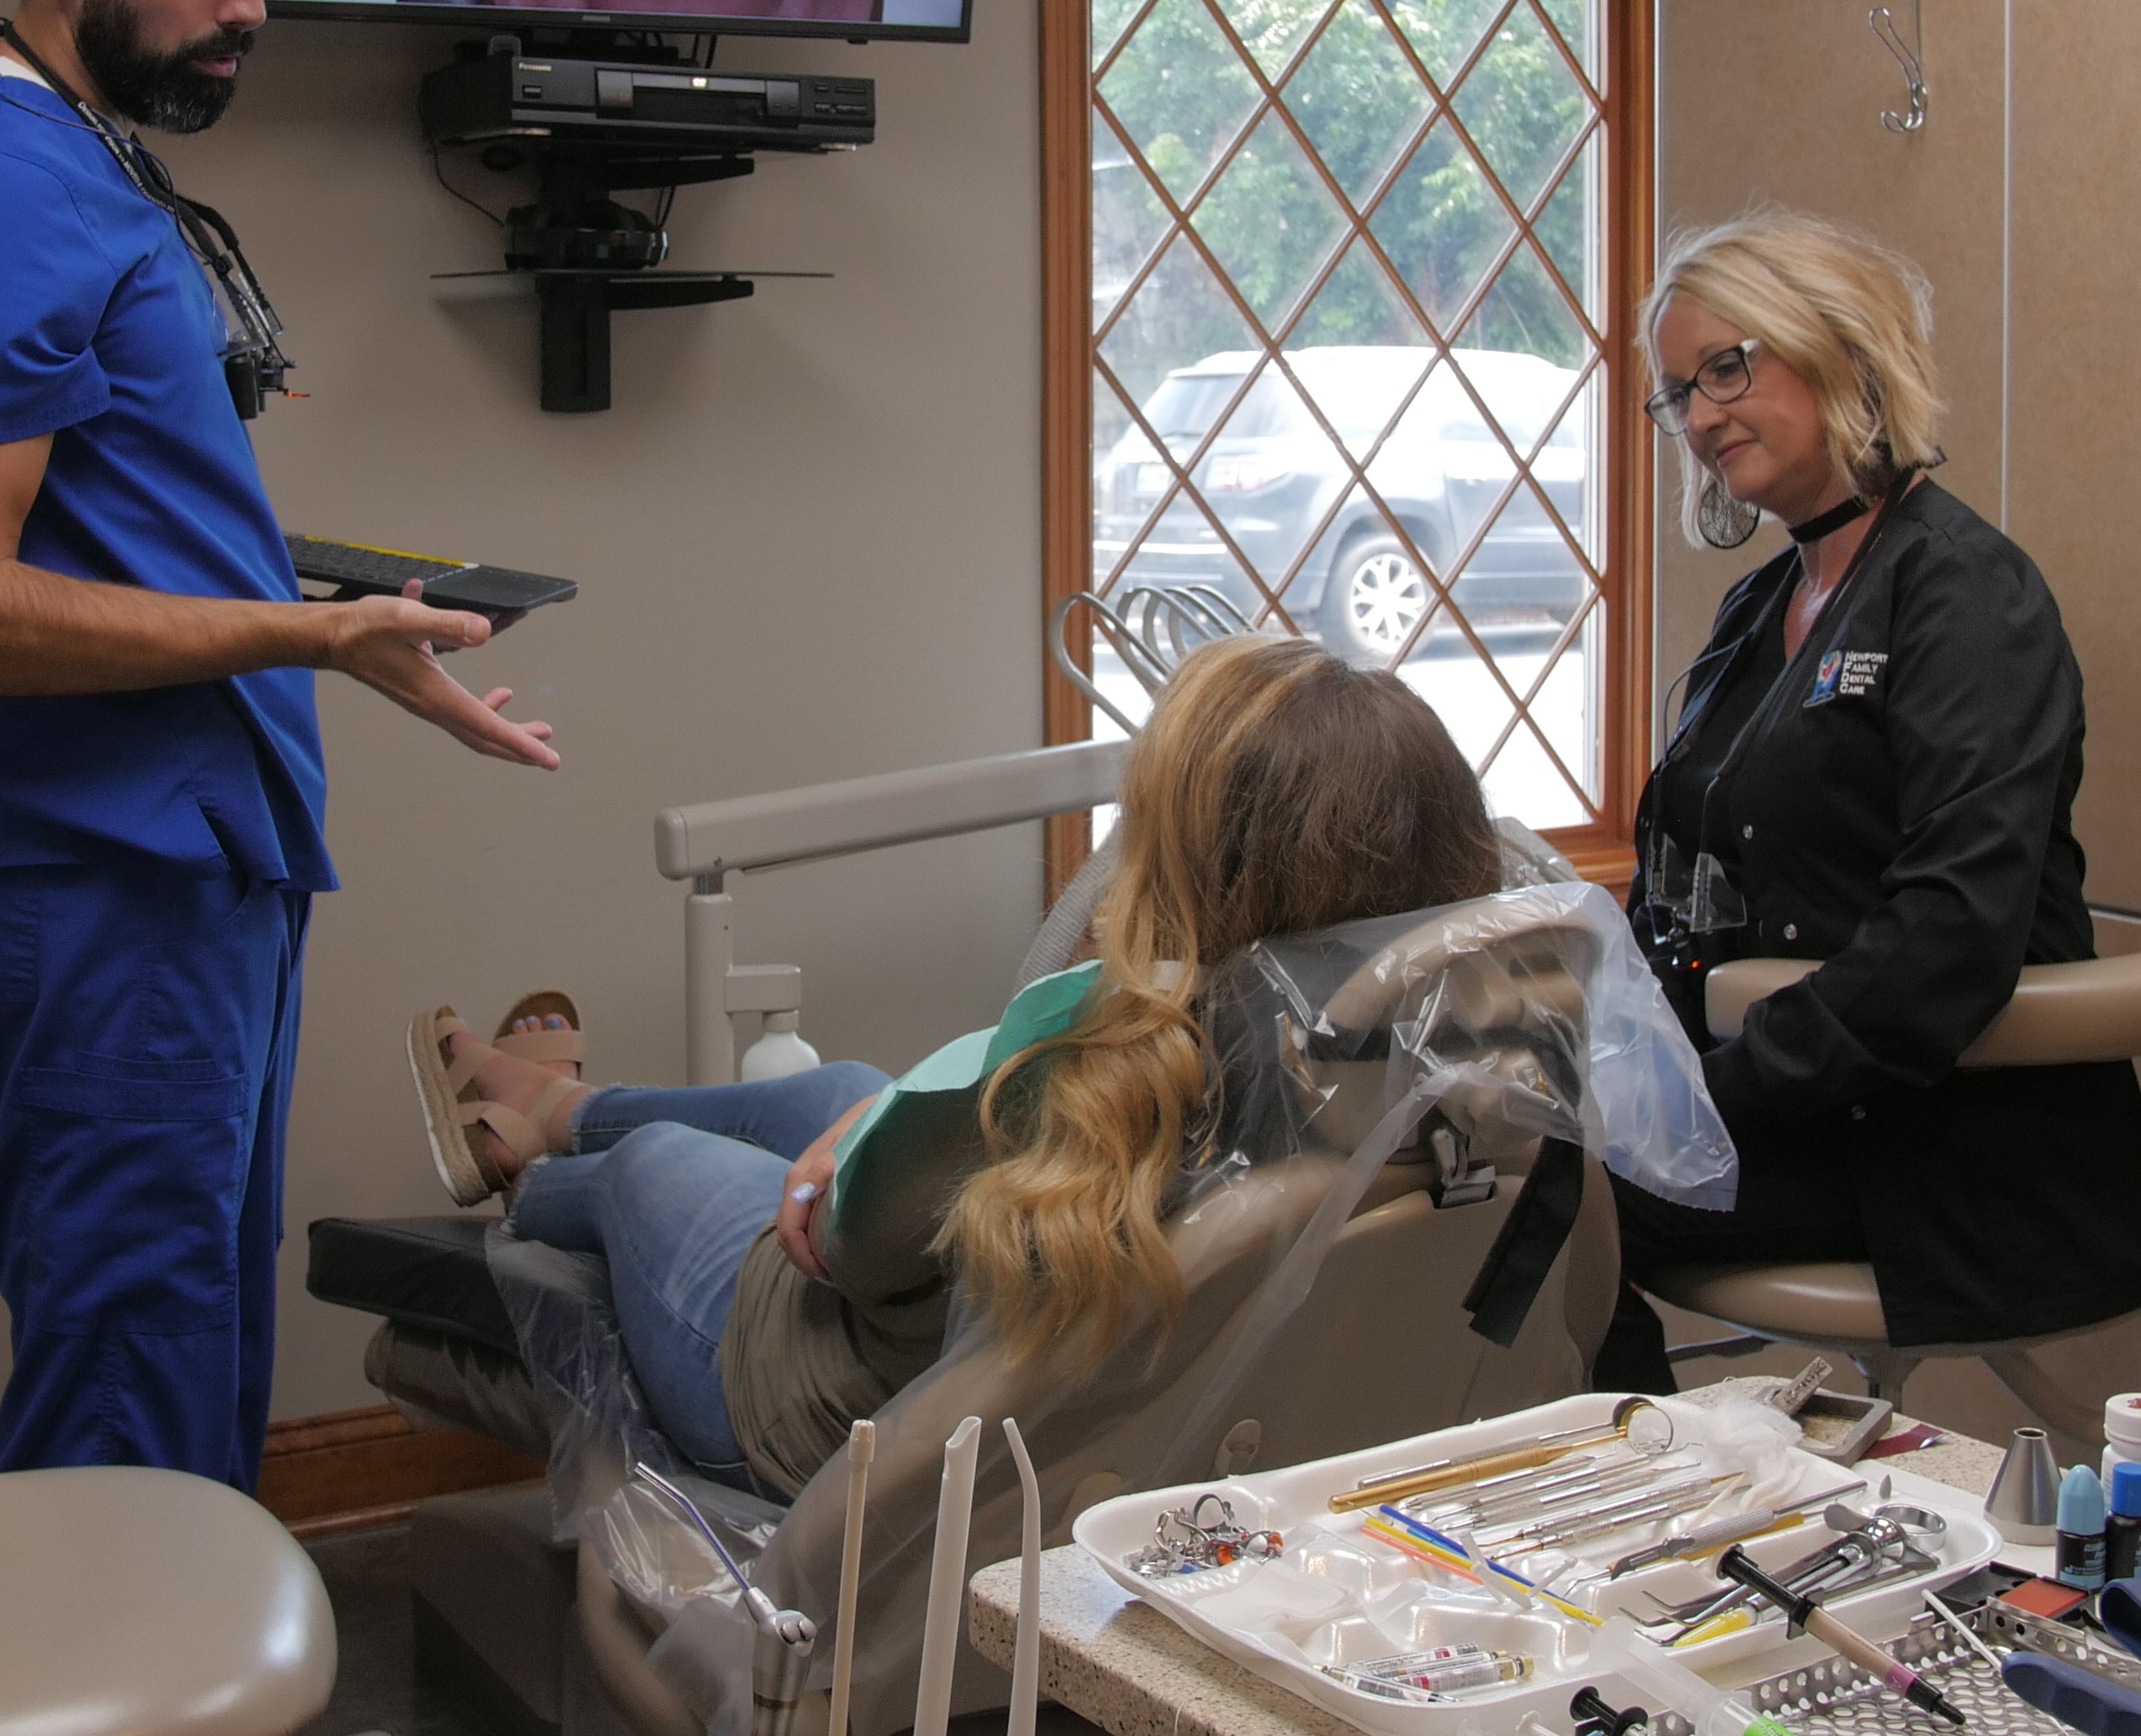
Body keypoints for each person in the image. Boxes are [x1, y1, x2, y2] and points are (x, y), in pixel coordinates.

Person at [0, 0, 558, 1491]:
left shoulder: (84, 164)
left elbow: (112, 525)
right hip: (108, 879)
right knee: (126, 1390)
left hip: (195, 860)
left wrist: (346, 628)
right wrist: (303, 642)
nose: (247, 5)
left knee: (191, 1355)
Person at [408, 633, 1499, 1499]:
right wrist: (880, 1116)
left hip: (834, 1417)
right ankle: (564, 1107)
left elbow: (840, 1249)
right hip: (980, 1338)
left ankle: (536, 1170)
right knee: (834, 1089)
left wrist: (864, 1153)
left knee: (658, 1161)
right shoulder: (1445, 1088)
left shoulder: (1089, 1078)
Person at [1596, 210, 2141, 1393]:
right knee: (1494, 1169)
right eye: (1679, 393)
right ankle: (1640, 1472)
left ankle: (1637, 1479)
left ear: (1841, 351)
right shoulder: (1760, 609)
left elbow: (1949, 935)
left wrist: (1706, 1098)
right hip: (1791, 1108)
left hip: (1944, 1150)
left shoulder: (1966, 596)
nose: (1700, 417)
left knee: (1535, 1204)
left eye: (1727, 368)